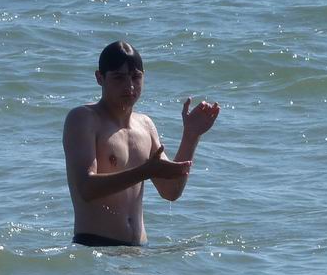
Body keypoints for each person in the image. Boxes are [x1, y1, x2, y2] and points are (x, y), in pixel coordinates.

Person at [63, 41, 220, 247]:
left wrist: (191, 136)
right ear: (100, 78)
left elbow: (171, 191)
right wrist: (144, 172)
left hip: (138, 252)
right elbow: (86, 188)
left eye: (136, 77)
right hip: (96, 247)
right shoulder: (84, 118)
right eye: (119, 78)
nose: (129, 86)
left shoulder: (145, 125)